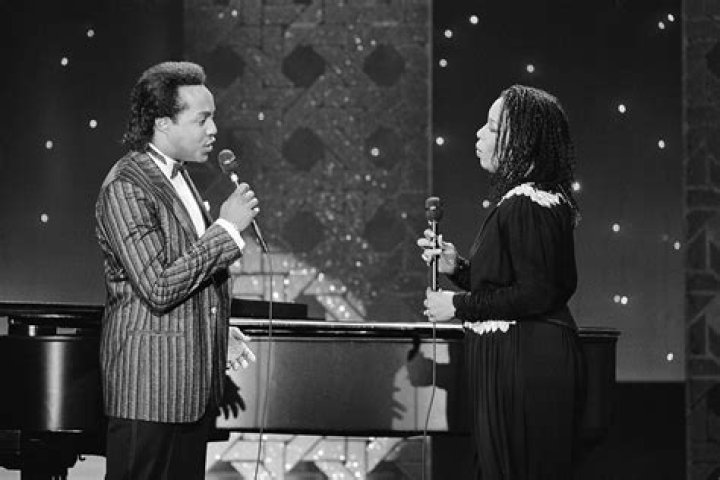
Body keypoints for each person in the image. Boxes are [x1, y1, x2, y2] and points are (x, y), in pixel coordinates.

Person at [95, 61, 258, 480]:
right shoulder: (128, 185)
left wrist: (215, 329)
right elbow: (159, 286)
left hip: (188, 390)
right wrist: (226, 230)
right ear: (163, 123)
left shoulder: (180, 177)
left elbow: (187, 273)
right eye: (202, 120)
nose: (214, 130)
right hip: (148, 392)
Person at [417, 85, 585, 480]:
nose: (479, 134)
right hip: (518, 358)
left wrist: (456, 306)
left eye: (492, 128)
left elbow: (537, 292)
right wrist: (458, 268)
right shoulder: (530, 200)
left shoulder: (527, 202)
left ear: (523, 141)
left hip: (525, 363)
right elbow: (514, 281)